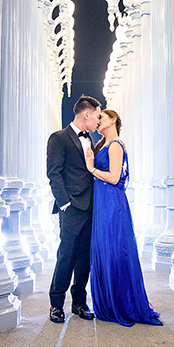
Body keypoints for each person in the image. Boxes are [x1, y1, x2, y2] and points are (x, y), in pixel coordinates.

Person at [84, 109, 162, 327]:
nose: (98, 121)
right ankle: (108, 301)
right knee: (104, 248)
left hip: (112, 202)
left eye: (102, 118)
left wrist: (91, 168)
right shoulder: (103, 145)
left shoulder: (116, 145)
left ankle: (121, 303)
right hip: (103, 202)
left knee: (115, 248)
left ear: (114, 121)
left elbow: (115, 177)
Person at [46, 94, 102, 324]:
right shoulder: (59, 138)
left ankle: (79, 302)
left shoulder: (91, 139)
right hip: (72, 208)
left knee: (84, 257)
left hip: (92, 207)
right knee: (66, 255)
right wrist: (65, 204)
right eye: (98, 115)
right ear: (86, 114)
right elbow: (53, 173)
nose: (99, 120)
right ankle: (56, 304)